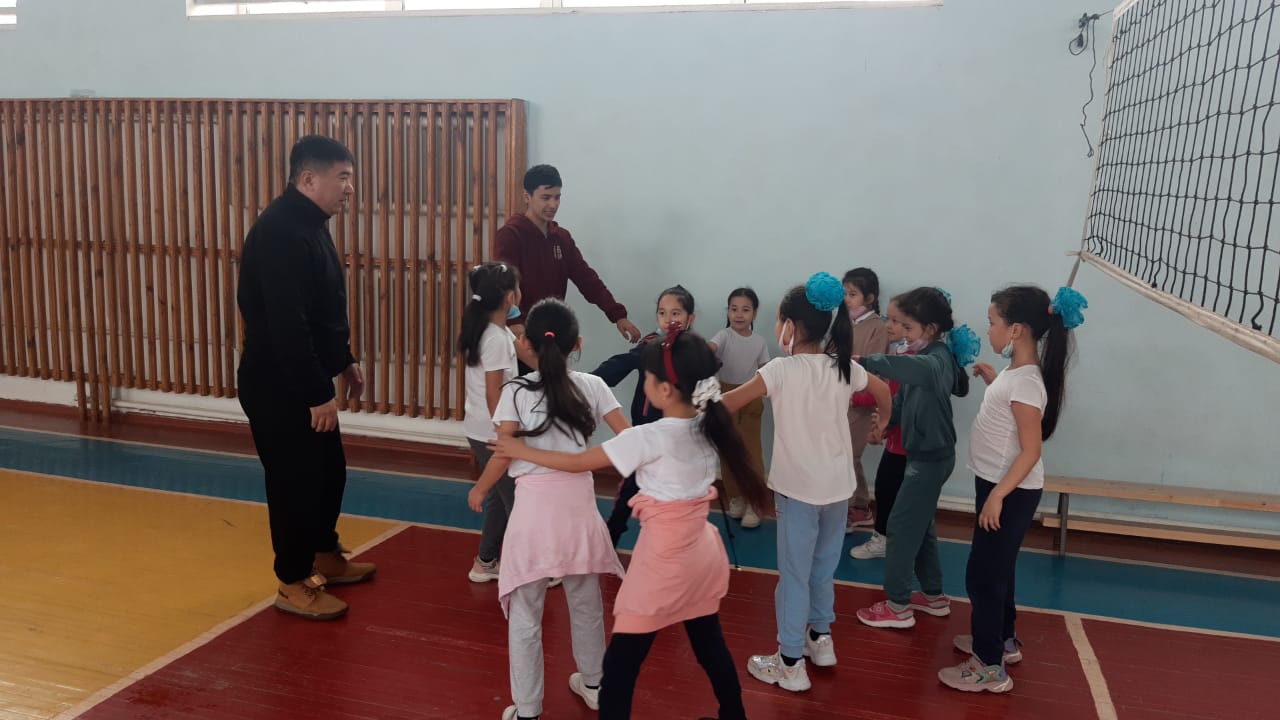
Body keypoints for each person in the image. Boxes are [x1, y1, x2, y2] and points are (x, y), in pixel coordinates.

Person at [494, 325, 770, 720]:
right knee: (710, 646)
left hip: (662, 566)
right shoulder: (709, 421)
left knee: (621, 667)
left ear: (664, 390)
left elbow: (576, 462)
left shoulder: (648, 437)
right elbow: (734, 396)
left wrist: (520, 449)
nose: (645, 383)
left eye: (648, 377)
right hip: (703, 557)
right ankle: (733, 715)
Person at [721, 273, 892, 693]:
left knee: (794, 575)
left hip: (798, 491)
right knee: (822, 568)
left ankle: (790, 662)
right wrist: (882, 423)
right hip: (838, 489)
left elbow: (728, 403)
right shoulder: (843, 367)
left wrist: (691, 410)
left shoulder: (780, 369)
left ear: (790, 327)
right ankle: (821, 638)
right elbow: (884, 389)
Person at [466, 298, 629, 720]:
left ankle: (528, 709)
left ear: (526, 344)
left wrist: (480, 489)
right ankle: (594, 685)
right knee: (586, 604)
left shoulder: (515, 392)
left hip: (533, 519)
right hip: (579, 514)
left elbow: (503, 452)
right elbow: (628, 439)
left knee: (526, 613)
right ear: (577, 344)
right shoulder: (593, 386)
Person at [236, 135, 374, 621]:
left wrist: (344, 360)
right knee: (294, 483)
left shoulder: (312, 224)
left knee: (328, 473)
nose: (350, 188)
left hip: (304, 376)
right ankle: (293, 580)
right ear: (309, 179)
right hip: (278, 384)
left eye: (350, 178)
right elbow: (286, 324)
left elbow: (322, 308)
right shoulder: (279, 232)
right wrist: (317, 393)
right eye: (343, 177)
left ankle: (323, 554)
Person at [939, 285, 1086, 694]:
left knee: (983, 577)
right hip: (998, 484)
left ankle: (988, 667)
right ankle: (1002, 640)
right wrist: (994, 382)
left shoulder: (1026, 383)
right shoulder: (1016, 375)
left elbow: (1031, 450)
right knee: (997, 570)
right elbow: (1009, 415)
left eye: (993, 322)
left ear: (1016, 330)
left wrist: (999, 495)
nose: (988, 330)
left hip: (1009, 490)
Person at [853, 287, 976, 630]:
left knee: (901, 527)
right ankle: (934, 596)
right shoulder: (919, 355)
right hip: (924, 456)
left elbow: (913, 370)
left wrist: (865, 362)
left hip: (931, 459)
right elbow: (903, 400)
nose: (897, 331)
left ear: (931, 329)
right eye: (895, 322)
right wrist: (887, 424)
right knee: (920, 527)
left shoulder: (936, 359)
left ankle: (897, 605)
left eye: (906, 326)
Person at [495, 164, 641, 366]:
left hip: (553, 334)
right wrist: (515, 324)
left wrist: (617, 315)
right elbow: (505, 286)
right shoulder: (511, 235)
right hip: (520, 336)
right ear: (527, 196)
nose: (553, 204)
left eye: (557, 197)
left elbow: (587, 279)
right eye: (546, 197)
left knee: (554, 385)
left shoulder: (561, 237)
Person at [592, 285, 695, 546]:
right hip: (646, 430)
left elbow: (707, 388)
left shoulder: (695, 350)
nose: (668, 319)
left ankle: (672, 542)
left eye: (676, 313)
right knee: (630, 486)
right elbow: (620, 364)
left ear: (690, 318)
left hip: (678, 435)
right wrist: (588, 381)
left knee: (674, 493)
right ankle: (610, 538)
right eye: (662, 313)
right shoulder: (649, 344)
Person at [458, 262, 521, 583]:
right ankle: (526, 567)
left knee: (499, 497)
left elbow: (525, 355)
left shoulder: (493, 330)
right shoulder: (495, 337)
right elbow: (493, 392)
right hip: (491, 432)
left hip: (479, 429)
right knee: (517, 501)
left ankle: (486, 561)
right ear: (510, 297)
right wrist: (504, 433)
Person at [707, 287, 771, 529]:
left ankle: (755, 502)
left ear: (755, 313)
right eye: (734, 309)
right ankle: (736, 497)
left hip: (751, 396)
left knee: (751, 451)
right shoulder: (724, 335)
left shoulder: (760, 342)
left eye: (745, 309)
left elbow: (766, 370)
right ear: (728, 312)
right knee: (728, 451)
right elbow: (710, 348)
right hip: (724, 397)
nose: (739, 314)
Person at [842, 267, 889, 532]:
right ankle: (858, 505)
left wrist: (856, 395)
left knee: (849, 454)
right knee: (845, 453)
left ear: (869, 298)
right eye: (845, 294)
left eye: (853, 294)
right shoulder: (844, 322)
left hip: (862, 402)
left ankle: (853, 509)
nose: (847, 299)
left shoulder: (878, 327)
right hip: (841, 398)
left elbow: (873, 369)